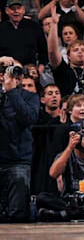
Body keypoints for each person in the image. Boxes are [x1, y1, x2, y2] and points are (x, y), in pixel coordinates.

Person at [0, 62, 39, 222]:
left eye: (17, 73)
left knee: (18, 214)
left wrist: (12, 92)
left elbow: (29, 118)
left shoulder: (30, 96)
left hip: (18, 160)